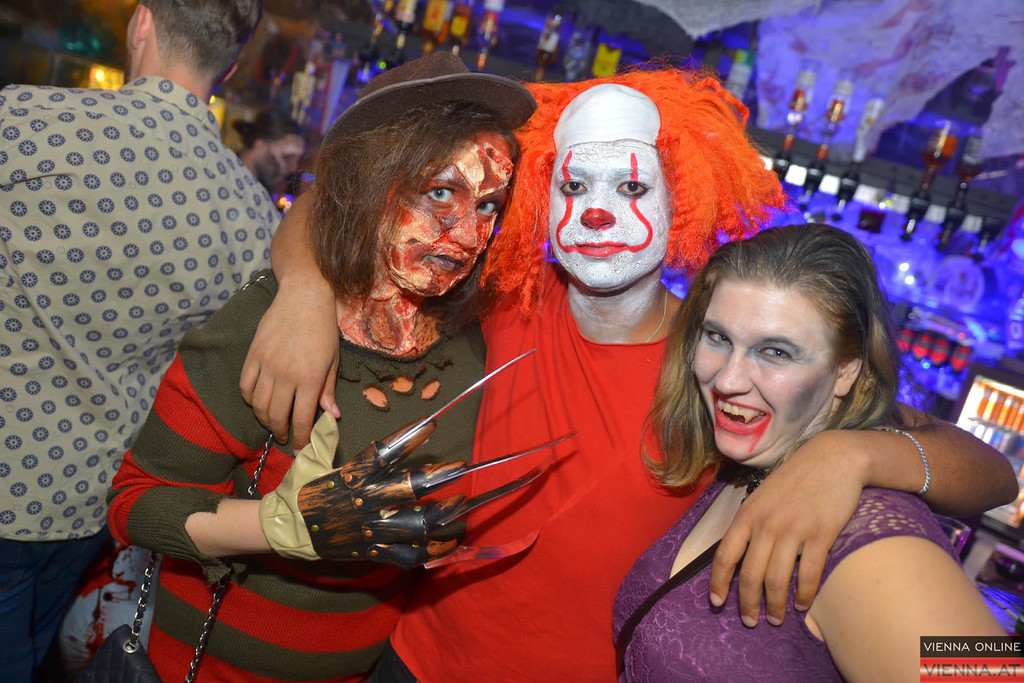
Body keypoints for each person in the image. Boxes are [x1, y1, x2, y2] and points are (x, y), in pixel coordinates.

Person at [247, 69, 1017, 681]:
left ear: (679, 201)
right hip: (411, 660)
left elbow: (993, 479)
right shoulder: (513, 287)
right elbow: (335, 203)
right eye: (574, 187)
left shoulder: (723, 368)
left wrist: (853, 454)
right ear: (543, 196)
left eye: (633, 188)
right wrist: (304, 292)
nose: (599, 213)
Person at [106, 51, 536, 681]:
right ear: (371, 180)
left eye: (489, 206)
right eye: (441, 192)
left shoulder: (471, 346)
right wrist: (274, 527)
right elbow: (134, 504)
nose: (468, 234)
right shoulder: (272, 326)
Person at [0, 0, 271, 677]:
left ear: (141, 22)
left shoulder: (25, 123)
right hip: (94, 501)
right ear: (231, 65)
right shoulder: (251, 214)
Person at [614, 223, 1004, 681]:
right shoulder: (753, 455)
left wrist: (852, 456)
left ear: (845, 372)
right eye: (718, 337)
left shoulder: (871, 537)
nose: (727, 380)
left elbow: (987, 671)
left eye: (776, 352)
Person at [233, 108, 306, 196]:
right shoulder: (225, 176)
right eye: (287, 157)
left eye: (298, 161)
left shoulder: (259, 194)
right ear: (260, 145)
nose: (293, 169)